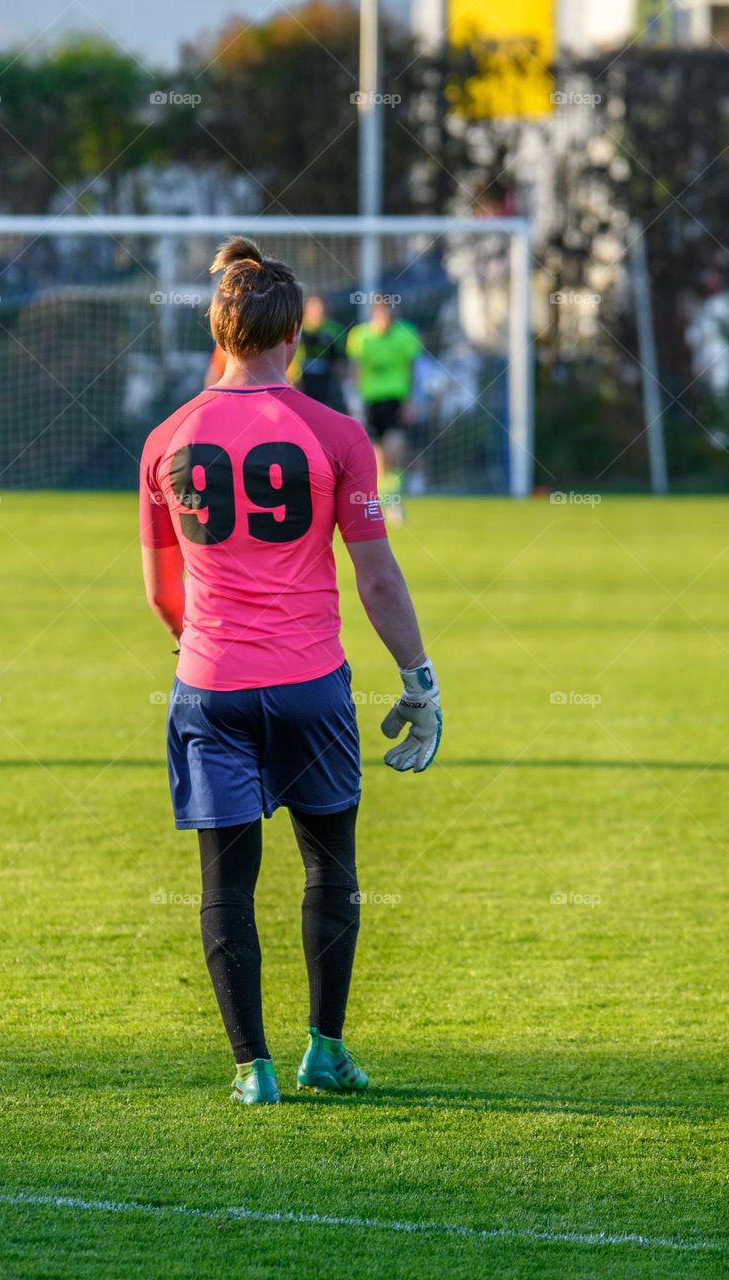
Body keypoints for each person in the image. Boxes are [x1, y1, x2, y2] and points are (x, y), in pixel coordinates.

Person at [140, 237, 441, 1106]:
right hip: (311, 685)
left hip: (210, 684)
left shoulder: (167, 437)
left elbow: (163, 593)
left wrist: (197, 646)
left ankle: (252, 1069)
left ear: (217, 330)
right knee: (328, 868)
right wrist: (417, 680)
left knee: (225, 883)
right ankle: (326, 1050)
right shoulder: (338, 434)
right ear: (293, 339)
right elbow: (376, 576)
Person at [346, 301, 423, 522]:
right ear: (374, 315)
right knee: (376, 459)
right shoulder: (360, 336)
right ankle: (384, 502)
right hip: (369, 403)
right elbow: (355, 369)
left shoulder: (406, 335)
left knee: (394, 451)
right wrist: (354, 399)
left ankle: (395, 498)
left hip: (395, 402)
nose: (385, 319)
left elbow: (412, 369)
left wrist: (411, 400)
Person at [291, 294, 346, 409]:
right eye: (314, 308)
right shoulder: (297, 329)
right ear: (306, 310)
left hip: (327, 381)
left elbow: (340, 360)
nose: (317, 312)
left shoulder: (334, 329)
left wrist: (341, 385)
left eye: (320, 308)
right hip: (302, 380)